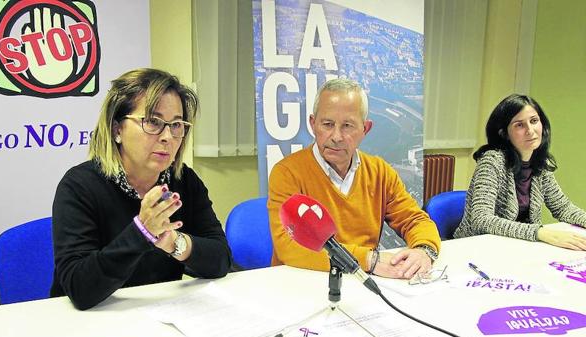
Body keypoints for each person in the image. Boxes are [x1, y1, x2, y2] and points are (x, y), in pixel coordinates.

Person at [50, 68, 231, 310]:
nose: (168, 136)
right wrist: (141, 232)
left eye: (176, 125)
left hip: (156, 316)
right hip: (89, 321)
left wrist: (175, 243)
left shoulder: (183, 181)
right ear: (117, 130)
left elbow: (221, 259)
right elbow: (80, 288)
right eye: (153, 122)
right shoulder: (79, 186)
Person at [267, 78, 441, 279]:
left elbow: (414, 219)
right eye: (327, 124)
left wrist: (424, 250)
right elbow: (288, 246)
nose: (336, 136)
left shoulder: (380, 172)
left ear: (365, 129)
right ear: (313, 124)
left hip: (365, 282)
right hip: (303, 281)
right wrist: (368, 260)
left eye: (348, 126)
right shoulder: (287, 173)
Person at [454, 94, 586, 249]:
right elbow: (481, 219)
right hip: (480, 247)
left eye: (534, 121)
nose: (530, 130)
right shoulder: (492, 161)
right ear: (504, 133)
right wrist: (540, 232)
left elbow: (563, 207)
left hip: (519, 247)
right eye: (519, 125)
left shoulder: (540, 163)